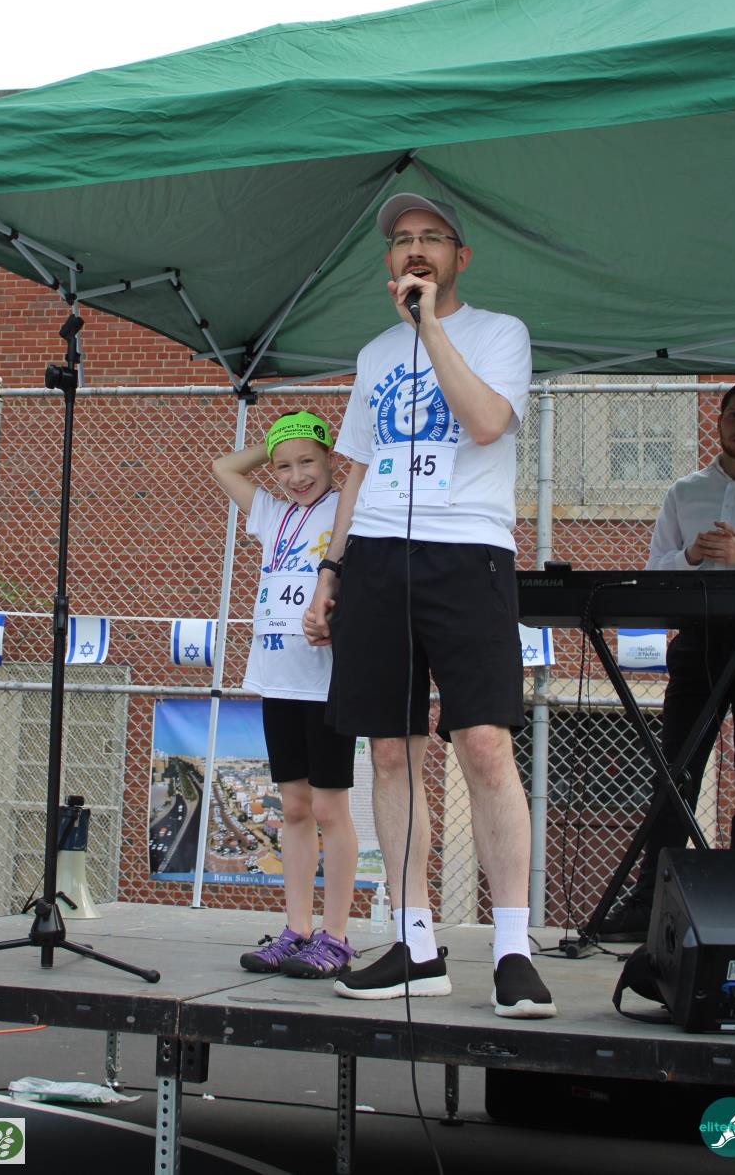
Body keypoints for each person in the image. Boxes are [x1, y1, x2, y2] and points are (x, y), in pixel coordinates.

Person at [303, 193, 555, 1018]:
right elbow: (357, 468)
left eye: (430, 239)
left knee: (483, 742)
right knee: (389, 750)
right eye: (402, 240)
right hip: (377, 556)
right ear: (388, 262)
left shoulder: (500, 333)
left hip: (468, 551)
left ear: (459, 257)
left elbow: (484, 423)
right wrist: (332, 569)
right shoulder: (374, 354)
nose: (414, 249)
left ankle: (513, 949)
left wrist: (429, 329)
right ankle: (415, 943)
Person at [600, 375, 735, 942]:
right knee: (675, 775)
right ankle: (650, 904)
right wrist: (692, 555)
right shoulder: (684, 492)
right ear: (717, 421)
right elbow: (654, 573)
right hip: (699, 641)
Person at [213, 410, 358, 978]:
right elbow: (224, 467)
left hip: (325, 678)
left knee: (328, 808)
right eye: (284, 467)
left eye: (309, 462)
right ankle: (297, 929)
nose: (297, 476)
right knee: (294, 807)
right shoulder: (272, 513)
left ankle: (336, 936)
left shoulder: (347, 508)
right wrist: (276, 438)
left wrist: (323, 437)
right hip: (276, 676)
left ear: (330, 459)